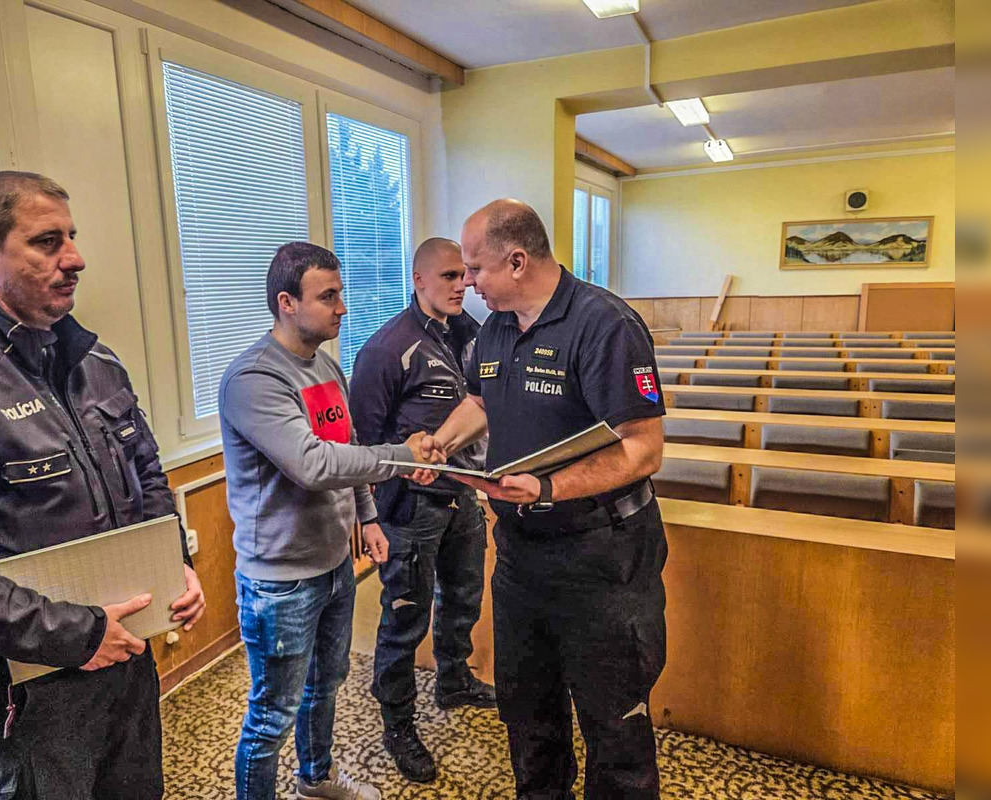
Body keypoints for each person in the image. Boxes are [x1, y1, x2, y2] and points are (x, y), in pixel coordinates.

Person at [0, 171, 206, 799]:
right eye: (47, 242)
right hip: (26, 695)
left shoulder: (95, 363)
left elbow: (146, 476)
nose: (76, 258)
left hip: (125, 664)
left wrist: (176, 566)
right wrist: (75, 635)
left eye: (73, 238)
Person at [419, 200, 668, 799]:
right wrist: (439, 443)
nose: (468, 282)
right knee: (528, 710)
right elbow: (481, 401)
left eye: (476, 269)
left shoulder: (605, 325)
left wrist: (550, 488)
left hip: (604, 558)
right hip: (523, 557)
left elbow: (644, 449)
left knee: (613, 719)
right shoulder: (497, 328)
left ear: (518, 260)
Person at [219, 242, 440, 800]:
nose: (342, 308)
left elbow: (348, 446)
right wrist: (403, 456)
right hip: (282, 580)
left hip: (335, 563)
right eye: (329, 296)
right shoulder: (255, 380)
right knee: (272, 715)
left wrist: (366, 516)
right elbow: (314, 464)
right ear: (286, 302)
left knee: (325, 688)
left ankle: (314, 780)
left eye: (340, 294)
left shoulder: (325, 366)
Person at [348, 238, 495, 783]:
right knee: (405, 617)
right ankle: (399, 722)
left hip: (462, 493)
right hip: (409, 508)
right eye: (451, 276)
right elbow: (365, 440)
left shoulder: (470, 332)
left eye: (466, 276)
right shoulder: (388, 349)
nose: (463, 285)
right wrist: (403, 464)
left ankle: (454, 679)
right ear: (419, 280)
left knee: (463, 598)